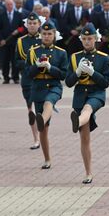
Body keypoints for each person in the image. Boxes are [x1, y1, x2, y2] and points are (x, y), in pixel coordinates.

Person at [65, 23, 109, 184]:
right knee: (84, 138)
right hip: (80, 94)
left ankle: (78, 120)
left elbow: (106, 82)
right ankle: (88, 172)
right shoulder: (74, 57)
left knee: (88, 108)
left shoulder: (104, 58)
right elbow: (69, 83)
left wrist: (92, 73)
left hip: (96, 94)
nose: (87, 42)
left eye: (90, 38)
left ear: (95, 39)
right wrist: (77, 72)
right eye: (84, 39)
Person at [27, 21, 68, 169]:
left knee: (49, 103)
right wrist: (36, 67)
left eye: (49, 33)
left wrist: (50, 68)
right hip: (38, 88)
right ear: (40, 35)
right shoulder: (33, 51)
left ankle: (41, 120)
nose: (46, 36)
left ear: (54, 35)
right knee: (44, 130)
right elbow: (28, 73)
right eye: (44, 34)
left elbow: (63, 74)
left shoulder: (61, 53)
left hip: (53, 87)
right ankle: (47, 159)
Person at [15, 12, 43, 149]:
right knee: (30, 108)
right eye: (30, 23)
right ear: (26, 25)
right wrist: (30, 64)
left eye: (34, 23)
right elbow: (17, 61)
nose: (32, 26)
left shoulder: (44, 38)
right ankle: (36, 139)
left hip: (42, 78)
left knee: (41, 110)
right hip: (27, 78)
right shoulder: (21, 41)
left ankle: (42, 134)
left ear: (39, 24)